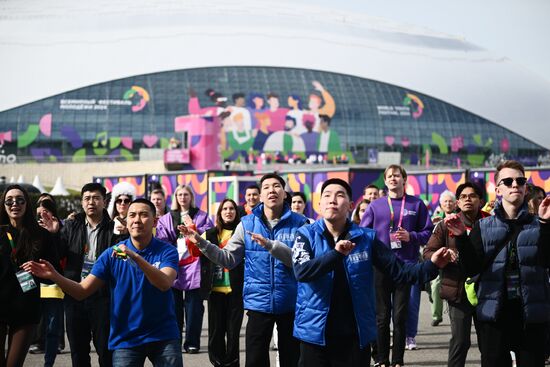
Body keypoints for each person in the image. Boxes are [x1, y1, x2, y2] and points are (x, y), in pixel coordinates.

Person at [290, 178, 454, 367]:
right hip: (314, 334)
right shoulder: (305, 235)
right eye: (326, 196)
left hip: (355, 335)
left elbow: (401, 272)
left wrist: (432, 264)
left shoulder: (366, 238)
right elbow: (302, 272)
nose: (332, 200)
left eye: (339, 195)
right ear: (319, 204)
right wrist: (336, 254)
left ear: (351, 205)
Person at [23, 199, 183, 367]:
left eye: (144, 215)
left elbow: (164, 283)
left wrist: (135, 257)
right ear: (126, 221)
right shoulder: (110, 255)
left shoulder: (167, 251)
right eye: (132, 215)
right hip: (126, 339)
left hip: (163, 336)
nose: (137, 220)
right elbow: (82, 291)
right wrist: (54, 275)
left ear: (155, 221)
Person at [180, 173, 308, 367]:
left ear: (284, 194)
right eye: (266, 187)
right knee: (255, 361)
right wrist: (199, 241)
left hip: (291, 304)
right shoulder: (247, 224)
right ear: (261, 195)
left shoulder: (301, 223)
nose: (271, 190)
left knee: (292, 360)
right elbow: (228, 259)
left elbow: (302, 263)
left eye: (276, 186)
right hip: (258, 305)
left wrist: (271, 246)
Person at [446, 160, 550, 366]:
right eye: (508, 181)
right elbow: (471, 268)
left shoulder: (539, 224)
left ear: (525, 187)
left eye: (520, 181)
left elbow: (546, 261)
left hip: (531, 314)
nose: (515, 185)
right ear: (498, 188)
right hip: (494, 314)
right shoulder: (483, 226)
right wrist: (461, 238)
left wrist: (546, 224)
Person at [360, 165, 433, 367]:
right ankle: (382, 359)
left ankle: (398, 360)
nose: (393, 178)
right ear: (385, 181)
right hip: (381, 268)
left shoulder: (416, 204)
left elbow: (429, 232)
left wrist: (412, 236)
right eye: (389, 176)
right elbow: (362, 233)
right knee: (382, 317)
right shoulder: (376, 206)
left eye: (397, 175)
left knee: (400, 316)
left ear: (404, 179)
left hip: (406, 266)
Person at [55, 182, 123, 367]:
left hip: (103, 296)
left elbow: (122, 258)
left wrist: (122, 234)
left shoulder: (114, 228)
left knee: (105, 349)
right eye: (87, 198)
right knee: (78, 351)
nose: (91, 202)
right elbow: (57, 254)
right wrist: (53, 234)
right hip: (75, 295)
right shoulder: (70, 226)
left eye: (96, 198)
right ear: (82, 202)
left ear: (104, 201)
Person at [423, 182, 487, 367]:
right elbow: (427, 252)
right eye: (463, 197)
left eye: (472, 196)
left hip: (486, 291)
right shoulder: (445, 225)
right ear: (457, 203)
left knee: (488, 343)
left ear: (481, 201)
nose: (468, 199)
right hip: (457, 291)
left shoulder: (490, 222)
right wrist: (442, 254)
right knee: (460, 341)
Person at [0, 184, 59, 367]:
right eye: (9, 201)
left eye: (20, 200)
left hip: (26, 307)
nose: (14, 204)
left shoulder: (41, 235)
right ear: (3, 205)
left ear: (27, 204)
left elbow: (55, 269)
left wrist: (40, 270)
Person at [156, 184, 213, 354]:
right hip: (174, 264)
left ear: (191, 197)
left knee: (194, 307)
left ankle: (192, 342)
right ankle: (175, 341)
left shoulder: (201, 215)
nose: (182, 197)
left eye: (186, 194)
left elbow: (209, 235)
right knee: (174, 307)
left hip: (195, 264)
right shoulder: (167, 217)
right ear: (175, 197)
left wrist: (193, 229)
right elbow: (161, 238)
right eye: (179, 194)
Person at [199, 199, 244, 367]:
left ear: (236, 212)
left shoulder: (242, 232)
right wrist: (190, 233)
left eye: (231, 208)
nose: (228, 211)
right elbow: (193, 251)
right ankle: (217, 363)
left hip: (235, 290)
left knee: (233, 334)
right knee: (216, 333)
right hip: (215, 290)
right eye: (224, 209)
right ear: (219, 213)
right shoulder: (210, 234)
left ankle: (232, 364)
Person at [428, 190, 457, 329]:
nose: (448, 203)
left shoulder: (459, 218)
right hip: (439, 258)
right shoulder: (435, 218)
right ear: (440, 204)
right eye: (445, 201)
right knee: (434, 285)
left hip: (455, 260)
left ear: (455, 203)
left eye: (450, 201)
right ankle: (436, 315)